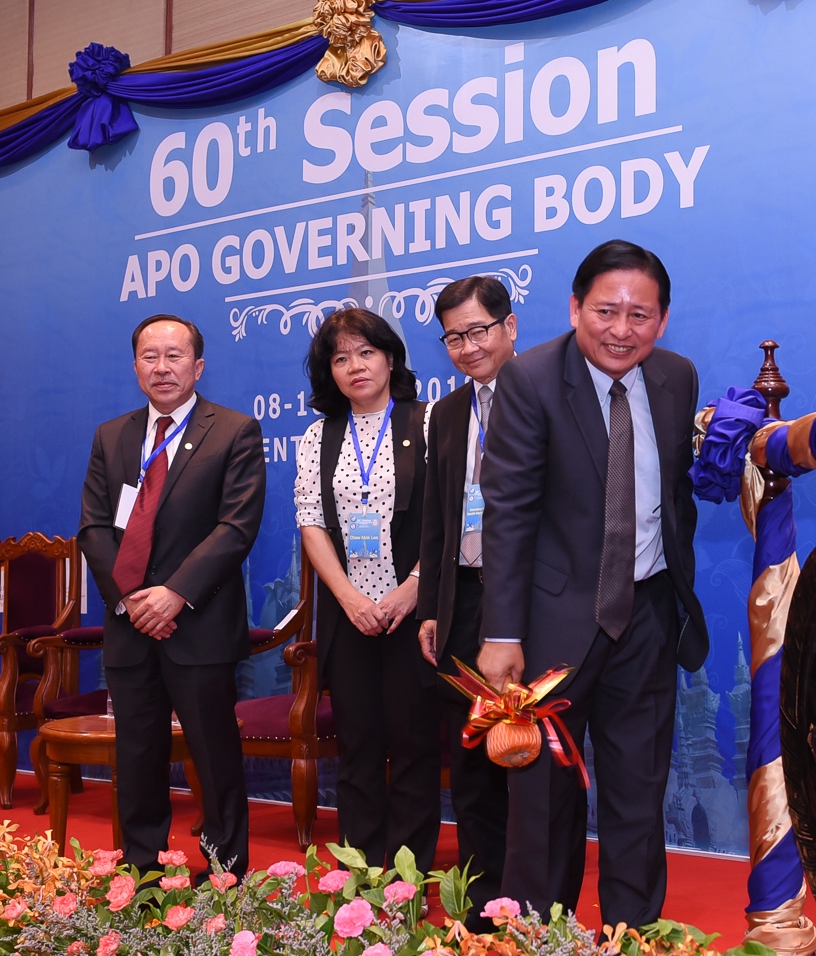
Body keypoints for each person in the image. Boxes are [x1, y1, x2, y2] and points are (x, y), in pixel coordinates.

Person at [477, 240, 708, 927]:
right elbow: (509, 512)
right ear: (575, 307)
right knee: (542, 802)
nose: (621, 328)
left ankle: (633, 936)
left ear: (662, 321)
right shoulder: (531, 379)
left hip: (646, 613)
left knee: (640, 791)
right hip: (551, 623)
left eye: (640, 314)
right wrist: (501, 633)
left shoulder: (676, 377)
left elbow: (675, 496)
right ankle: (536, 936)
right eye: (606, 310)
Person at [79, 314, 264, 879]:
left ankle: (227, 878)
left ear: (198, 366)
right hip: (130, 627)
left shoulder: (233, 430)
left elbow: (235, 528)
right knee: (136, 759)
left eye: (174, 355)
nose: (162, 367)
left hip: (199, 625)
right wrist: (133, 599)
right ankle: (142, 875)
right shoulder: (112, 436)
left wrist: (174, 594)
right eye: (150, 356)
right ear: (135, 366)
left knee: (214, 760)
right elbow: (93, 529)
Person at [294, 307, 439, 870]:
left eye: (366, 352)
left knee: (412, 751)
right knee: (356, 753)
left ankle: (409, 876)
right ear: (327, 371)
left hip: (414, 615)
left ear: (391, 357)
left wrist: (414, 587)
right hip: (349, 617)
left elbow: (453, 516)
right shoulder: (317, 436)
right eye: (340, 357)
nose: (355, 366)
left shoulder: (428, 423)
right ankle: (359, 874)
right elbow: (311, 522)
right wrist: (349, 599)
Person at [417, 276, 518, 924]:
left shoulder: (546, 397)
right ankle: (481, 907)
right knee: (475, 765)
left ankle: (533, 902)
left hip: (530, 609)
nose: (467, 346)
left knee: (527, 758)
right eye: (454, 336)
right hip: (464, 603)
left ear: (509, 327)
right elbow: (436, 517)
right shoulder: (447, 412)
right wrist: (432, 605)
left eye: (478, 330)